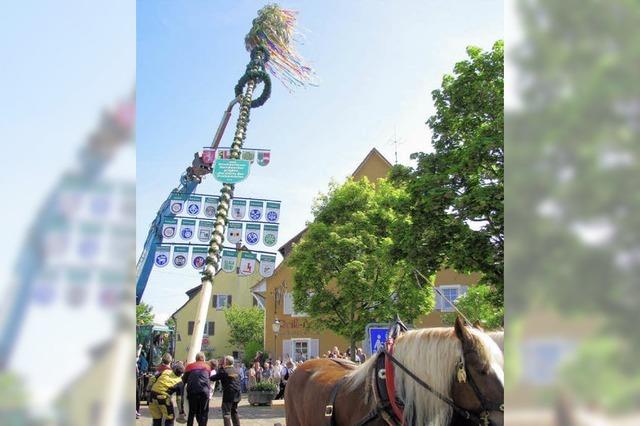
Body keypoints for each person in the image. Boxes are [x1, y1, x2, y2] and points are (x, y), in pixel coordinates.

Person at [149, 361, 186, 426]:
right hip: (163, 399)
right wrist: (181, 411)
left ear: (173, 369)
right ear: (181, 374)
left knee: (156, 419)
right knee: (170, 418)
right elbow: (179, 399)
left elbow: (153, 378)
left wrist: (148, 389)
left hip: (152, 396)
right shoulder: (180, 382)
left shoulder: (165, 371)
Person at [210, 355, 242, 426]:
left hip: (228, 395)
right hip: (237, 394)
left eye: (224, 361)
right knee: (234, 411)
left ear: (226, 362)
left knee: (226, 413)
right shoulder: (237, 370)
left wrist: (219, 367)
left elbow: (212, 378)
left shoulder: (224, 371)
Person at [183, 352, 212, 426]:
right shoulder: (208, 367)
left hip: (192, 392)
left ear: (196, 358)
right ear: (204, 359)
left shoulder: (189, 367)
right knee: (203, 412)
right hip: (204, 392)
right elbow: (208, 378)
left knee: (191, 412)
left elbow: (184, 380)